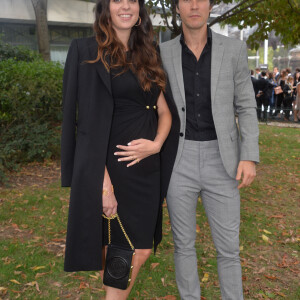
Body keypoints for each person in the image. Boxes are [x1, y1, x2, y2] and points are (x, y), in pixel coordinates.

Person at [60, 0, 180, 298]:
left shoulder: (149, 53)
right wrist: (103, 185)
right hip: (112, 169)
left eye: (132, 1)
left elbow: (165, 112)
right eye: (117, 0)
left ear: (140, 11)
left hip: (147, 172)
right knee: (121, 251)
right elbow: (85, 124)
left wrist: (156, 145)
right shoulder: (86, 51)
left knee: (139, 250)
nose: (125, 6)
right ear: (106, 8)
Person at [159, 0, 259, 299]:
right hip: (179, 159)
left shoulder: (234, 50)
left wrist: (249, 155)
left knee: (229, 249)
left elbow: (246, 105)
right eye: (186, 0)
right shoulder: (162, 52)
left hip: (223, 159)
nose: (193, 5)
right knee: (183, 245)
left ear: (210, 6)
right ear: (177, 7)